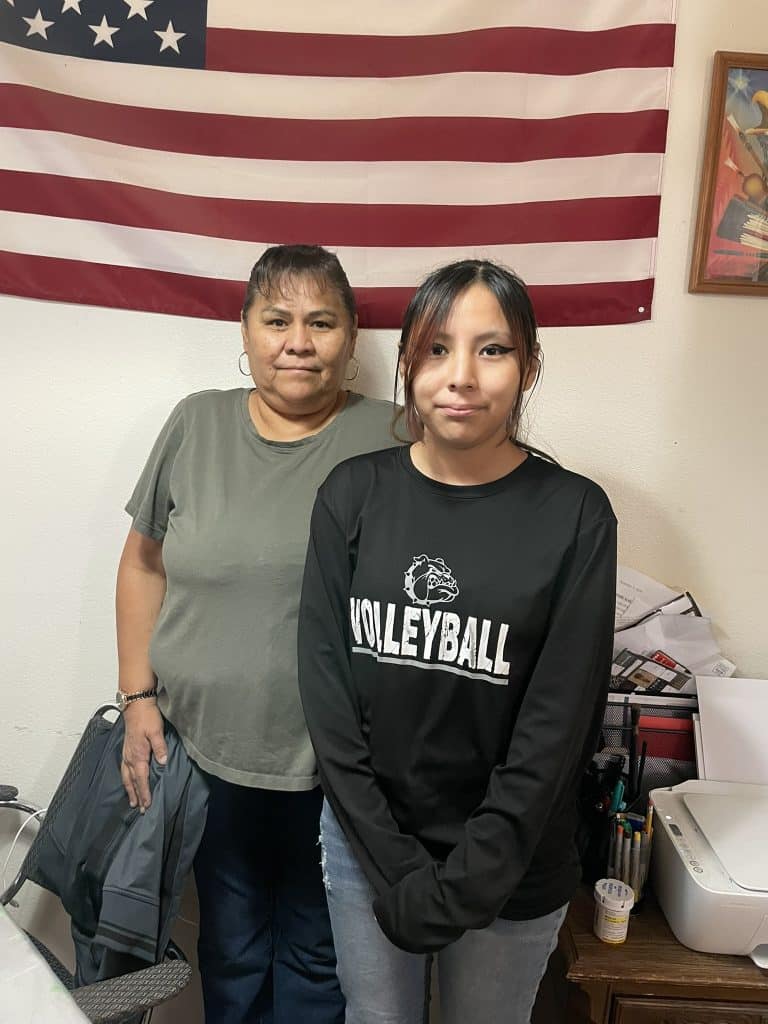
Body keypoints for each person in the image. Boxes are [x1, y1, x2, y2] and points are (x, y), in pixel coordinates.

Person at [297, 259, 617, 1024]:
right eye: (437, 349)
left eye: (493, 349)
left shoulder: (575, 516)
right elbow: (327, 695)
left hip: (514, 865)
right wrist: (399, 869)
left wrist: (469, 879)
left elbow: (558, 723)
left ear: (529, 365)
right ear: (409, 359)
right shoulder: (353, 494)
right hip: (368, 851)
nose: (461, 376)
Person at [115, 244, 399, 1024]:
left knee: (320, 959)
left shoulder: (395, 436)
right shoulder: (195, 423)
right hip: (204, 752)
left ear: (350, 338)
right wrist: (137, 698)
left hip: (339, 769)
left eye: (321, 322)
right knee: (230, 952)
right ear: (245, 331)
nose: (297, 342)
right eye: (277, 320)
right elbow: (143, 564)